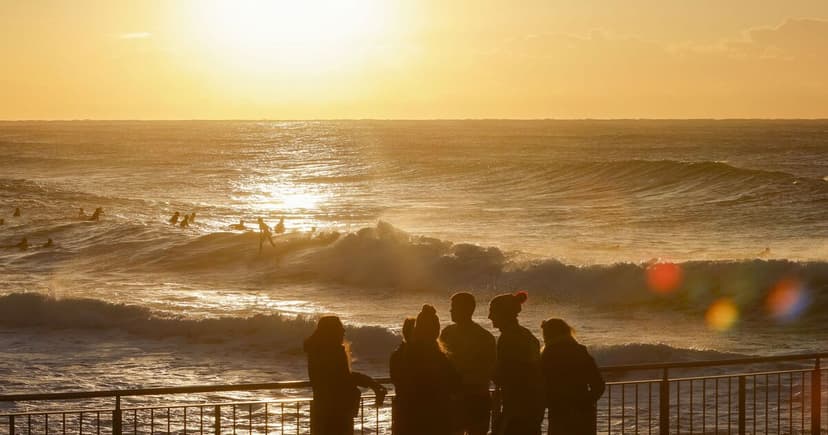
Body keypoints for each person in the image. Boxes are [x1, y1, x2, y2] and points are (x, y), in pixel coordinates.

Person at [304, 316, 387, 435]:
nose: (343, 331)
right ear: (331, 332)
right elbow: (343, 378)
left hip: (324, 410)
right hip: (337, 413)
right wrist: (372, 384)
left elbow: (342, 376)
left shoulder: (317, 351)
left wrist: (371, 384)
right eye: (340, 328)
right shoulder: (331, 352)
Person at [391, 305, 459, 435]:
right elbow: (455, 382)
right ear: (435, 331)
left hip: (407, 417)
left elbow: (398, 381)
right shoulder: (438, 356)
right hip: (435, 419)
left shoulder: (399, 355)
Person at [488, 291, 544, 435]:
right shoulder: (527, 335)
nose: (489, 317)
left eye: (492, 312)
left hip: (518, 408)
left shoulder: (508, 338)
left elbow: (507, 374)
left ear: (503, 314)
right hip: (531, 406)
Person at [440, 292, 496, 435]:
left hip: (465, 398)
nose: (450, 310)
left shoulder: (448, 333)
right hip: (474, 398)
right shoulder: (485, 336)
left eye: (454, 307)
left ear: (465, 309)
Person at [540, 318, 605, 435]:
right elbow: (599, 384)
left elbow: (541, 384)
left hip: (559, 413)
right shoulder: (580, 351)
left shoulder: (548, 355)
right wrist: (587, 401)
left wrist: (548, 402)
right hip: (584, 414)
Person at [390, 317, 416, 434]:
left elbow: (395, 379)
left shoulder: (396, 355)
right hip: (416, 408)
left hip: (401, 406)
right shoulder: (421, 355)